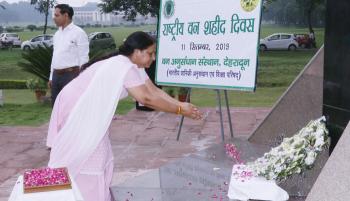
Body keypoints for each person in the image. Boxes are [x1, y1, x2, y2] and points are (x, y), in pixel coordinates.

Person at [46, 31, 202, 201]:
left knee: (99, 152)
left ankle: (95, 194)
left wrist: (180, 105)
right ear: (136, 52)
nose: (154, 58)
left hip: (88, 112)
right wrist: (179, 110)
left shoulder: (132, 66)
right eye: (150, 53)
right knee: (87, 156)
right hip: (76, 109)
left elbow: (153, 91)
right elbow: (146, 98)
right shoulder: (124, 66)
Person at [48, 4, 89, 106]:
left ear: (66, 15)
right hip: (56, 76)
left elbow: (83, 57)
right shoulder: (57, 35)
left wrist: (82, 78)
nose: (54, 18)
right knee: (56, 107)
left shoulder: (79, 33)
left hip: (71, 76)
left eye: (57, 15)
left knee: (71, 107)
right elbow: (55, 56)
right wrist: (51, 77)